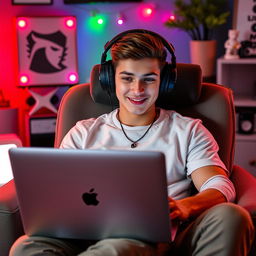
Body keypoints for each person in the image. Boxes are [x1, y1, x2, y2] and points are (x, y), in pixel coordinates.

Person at [10, 29, 254, 256]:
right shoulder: (82, 132)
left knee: (230, 216)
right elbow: (58, 192)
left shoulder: (188, 130)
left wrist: (184, 207)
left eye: (149, 79)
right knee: (26, 247)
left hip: (156, 237)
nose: (137, 90)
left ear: (164, 81)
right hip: (83, 233)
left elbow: (218, 185)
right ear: (110, 80)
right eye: (127, 78)